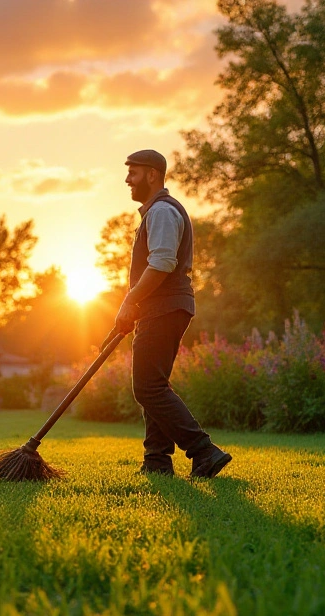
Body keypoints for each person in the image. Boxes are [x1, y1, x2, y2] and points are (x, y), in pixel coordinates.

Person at [114, 149, 232, 479]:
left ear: (153, 175)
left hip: (165, 308)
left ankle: (204, 451)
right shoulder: (156, 212)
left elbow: (163, 262)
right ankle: (157, 461)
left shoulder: (162, 211)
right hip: (162, 308)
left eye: (133, 173)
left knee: (147, 388)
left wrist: (129, 301)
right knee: (155, 385)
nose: (127, 180)